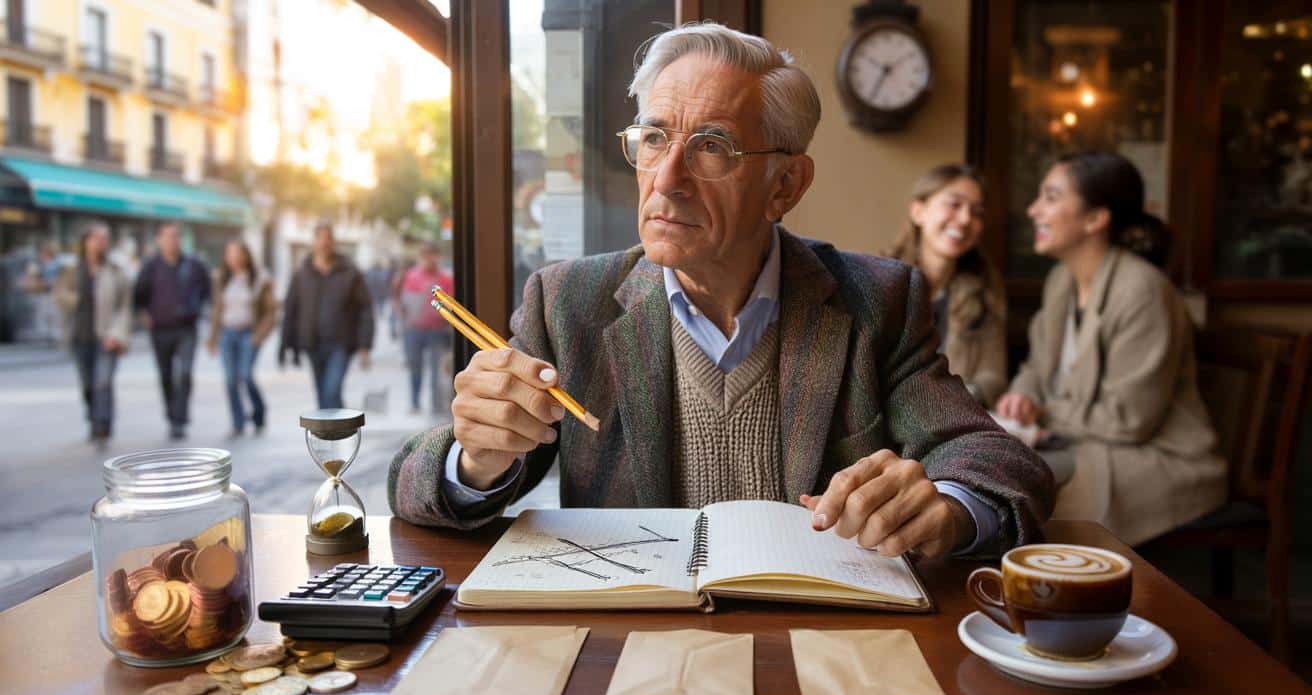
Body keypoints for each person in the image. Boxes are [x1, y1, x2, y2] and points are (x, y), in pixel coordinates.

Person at [388, 23, 1053, 557]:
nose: (667, 179)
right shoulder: (569, 302)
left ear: (785, 185)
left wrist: (947, 507)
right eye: (654, 138)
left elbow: (998, 460)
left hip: (811, 642)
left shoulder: (874, 300)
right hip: (630, 644)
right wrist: (476, 460)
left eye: (711, 147)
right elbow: (411, 483)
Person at [995, 151, 1225, 546]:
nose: (1033, 210)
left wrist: (1043, 416)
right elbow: (1036, 366)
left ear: (1095, 219)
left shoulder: (1142, 290)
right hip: (1078, 441)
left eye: (1051, 197)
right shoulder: (1060, 281)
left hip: (1156, 456)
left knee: (1010, 482)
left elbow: (1130, 420)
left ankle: (1028, 580)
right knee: (994, 467)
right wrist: (1022, 397)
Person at [884, 164, 1006, 406]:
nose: (966, 219)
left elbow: (994, 377)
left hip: (957, 419)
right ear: (918, 212)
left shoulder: (985, 291)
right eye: (954, 204)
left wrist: (957, 396)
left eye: (977, 212)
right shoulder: (878, 282)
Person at [279, 222, 374, 410]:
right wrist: (286, 344)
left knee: (332, 391)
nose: (324, 243)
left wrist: (365, 344)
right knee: (322, 394)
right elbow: (291, 309)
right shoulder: (302, 273)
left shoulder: (350, 272)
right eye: (320, 238)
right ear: (313, 242)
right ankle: (329, 427)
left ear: (333, 242)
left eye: (328, 239)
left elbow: (365, 308)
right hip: (312, 343)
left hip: (341, 343)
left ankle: (339, 427)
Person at [52, 223, 131, 447]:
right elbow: (58, 294)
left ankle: (103, 426)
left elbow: (124, 307)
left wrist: (118, 334)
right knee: (88, 384)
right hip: (80, 336)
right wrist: (76, 299)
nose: (100, 243)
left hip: (107, 335)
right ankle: (93, 419)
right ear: (85, 241)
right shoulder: (72, 269)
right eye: (96, 238)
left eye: (104, 238)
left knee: (103, 382)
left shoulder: (115, 270)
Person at [134, 221, 210, 440]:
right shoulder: (151, 266)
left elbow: (207, 290)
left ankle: (180, 420)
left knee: (184, 373)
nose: (173, 240)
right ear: (159, 240)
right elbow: (139, 295)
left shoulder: (194, 264)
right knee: (166, 375)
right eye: (168, 236)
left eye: (176, 236)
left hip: (187, 328)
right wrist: (145, 316)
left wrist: (198, 308)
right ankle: (171, 415)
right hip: (160, 329)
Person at [207, 240, 277, 438]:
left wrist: (259, 335)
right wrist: (212, 338)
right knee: (230, 379)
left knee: (246, 375)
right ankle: (237, 422)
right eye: (229, 253)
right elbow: (217, 309)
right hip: (227, 334)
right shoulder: (221, 278)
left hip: (249, 334)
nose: (234, 257)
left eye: (237, 253)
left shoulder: (260, 278)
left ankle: (259, 411)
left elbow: (271, 312)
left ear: (246, 255)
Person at [398, 244, 455, 415]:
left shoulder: (446, 278)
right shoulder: (412, 276)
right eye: (426, 256)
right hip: (414, 330)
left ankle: (436, 404)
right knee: (415, 367)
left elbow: (451, 303)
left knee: (436, 369)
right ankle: (415, 402)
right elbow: (404, 300)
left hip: (437, 330)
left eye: (433, 255)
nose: (429, 260)